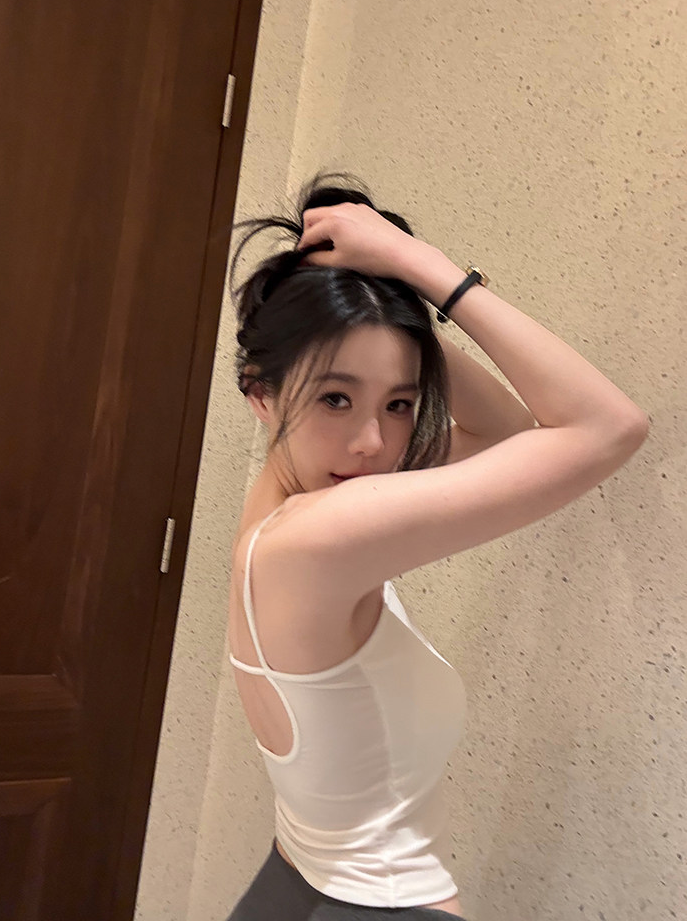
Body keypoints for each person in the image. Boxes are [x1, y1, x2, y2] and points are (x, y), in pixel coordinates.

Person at [224, 173, 648, 921]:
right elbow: (607, 427)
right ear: (260, 393)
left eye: (400, 403)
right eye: (335, 398)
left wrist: (395, 309)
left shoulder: (283, 522)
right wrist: (424, 269)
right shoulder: (324, 535)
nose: (372, 441)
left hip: (293, 883)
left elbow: (507, 435)